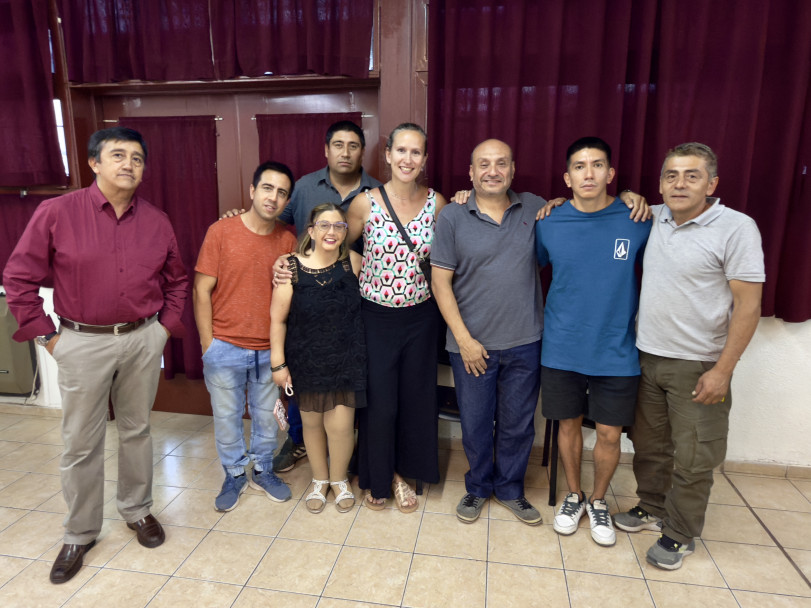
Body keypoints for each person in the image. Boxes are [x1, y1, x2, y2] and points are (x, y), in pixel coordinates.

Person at [3, 127, 187, 584]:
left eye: (137, 158)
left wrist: (163, 330)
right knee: (81, 442)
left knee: (137, 430)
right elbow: (18, 279)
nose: (129, 164)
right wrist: (49, 338)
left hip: (142, 339)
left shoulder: (157, 221)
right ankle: (80, 532)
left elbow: (177, 281)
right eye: (118, 155)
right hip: (81, 342)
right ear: (94, 163)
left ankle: (137, 510)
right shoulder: (56, 212)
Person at [614, 143, 764, 570]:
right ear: (661, 183)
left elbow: (748, 306)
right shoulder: (653, 216)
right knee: (648, 444)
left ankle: (680, 534)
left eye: (692, 176)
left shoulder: (736, 228)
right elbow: (619, 200)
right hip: (646, 355)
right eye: (671, 176)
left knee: (695, 454)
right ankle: (651, 506)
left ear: (711, 184)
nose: (679, 184)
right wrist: (626, 193)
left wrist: (723, 370)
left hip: (699, 363)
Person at [536, 137, 650, 546]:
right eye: (580, 167)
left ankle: (598, 500)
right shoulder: (548, 222)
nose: (589, 173)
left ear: (610, 173)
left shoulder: (637, 219)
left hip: (616, 349)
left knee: (608, 434)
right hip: (561, 345)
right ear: (567, 178)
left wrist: (634, 196)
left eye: (597, 165)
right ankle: (574, 495)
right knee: (567, 425)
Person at [431, 139, 545, 526]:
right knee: (476, 424)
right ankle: (478, 487)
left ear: (512, 170)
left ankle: (510, 489)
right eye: (484, 164)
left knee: (518, 425)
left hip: (524, 342)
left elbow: (577, 209)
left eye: (501, 163)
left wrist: (626, 196)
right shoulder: (452, 215)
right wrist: (464, 341)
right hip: (471, 345)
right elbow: (440, 283)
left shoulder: (535, 207)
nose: (492, 171)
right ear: (471, 172)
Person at [345, 122, 447, 513]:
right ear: (387, 155)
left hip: (422, 317)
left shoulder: (437, 203)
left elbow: (448, 256)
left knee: (415, 400)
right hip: (375, 317)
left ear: (425, 159)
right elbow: (336, 245)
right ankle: (379, 473)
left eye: (415, 152)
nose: (408, 159)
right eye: (400, 150)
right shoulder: (365, 203)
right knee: (380, 403)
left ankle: (403, 474)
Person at [272, 120, 382, 473]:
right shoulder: (304, 187)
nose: (345, 152)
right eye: (338, 144)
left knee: (344, 413)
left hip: (350, 307)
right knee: (307, 406)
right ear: (326, 149)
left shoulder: (378, 193)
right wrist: (282, 259)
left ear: (362, 151)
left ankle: (346, 464)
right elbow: (274, 223)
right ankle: (300, 444)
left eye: (353, 145)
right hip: (305, 304)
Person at [193, 161, 297, 511]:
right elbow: (201, 290)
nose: (273, 197)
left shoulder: (288, 239)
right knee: (227, 419)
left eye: (281, 193)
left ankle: (263, 470)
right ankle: (235, 474)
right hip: (224, 347)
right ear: (252, 191)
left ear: (287, 201)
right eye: (267, 188)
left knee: (267, 418)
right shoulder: (221, 232)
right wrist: (208, 344)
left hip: (269, 350)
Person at [270, 204, 365, 513]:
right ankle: (319, 479)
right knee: (311, 425)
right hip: (305, 360)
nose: (331, 232)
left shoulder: (354, 263)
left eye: (339, 226)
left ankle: (339, 480)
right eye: (324, 225)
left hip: (346, 359)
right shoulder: (290, 267)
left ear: (345, 233)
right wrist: (278, 364)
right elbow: (277, 320)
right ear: (311, 231)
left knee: (341, 426)